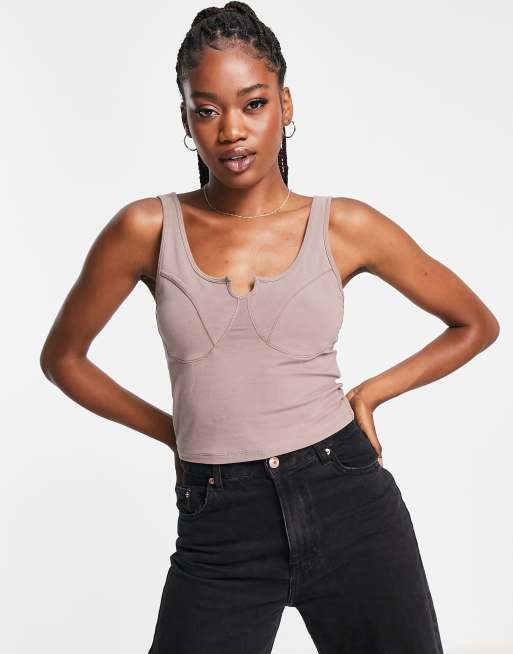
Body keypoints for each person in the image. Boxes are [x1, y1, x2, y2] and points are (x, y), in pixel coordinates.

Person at [40, 2, 500, 652]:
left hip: (349, 502)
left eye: (253, 104)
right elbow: (64, 359)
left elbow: (474, 324)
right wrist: (173, 433)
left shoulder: (344, 226)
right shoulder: (145, 229)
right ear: (186, 120)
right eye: (207, 110)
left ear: (285, 105)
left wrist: (370, 394)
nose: (231, 130)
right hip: (219, 524)